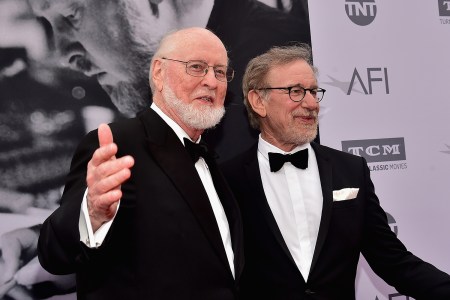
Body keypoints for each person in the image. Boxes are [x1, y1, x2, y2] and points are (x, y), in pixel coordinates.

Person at [220, 44, 450, 299]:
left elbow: (393, 261)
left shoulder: (351, 171)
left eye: (313, 91)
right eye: (296, 91)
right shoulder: (226, 180)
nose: (310, 103)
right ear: (258, 102)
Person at [37, 27, 243, 299]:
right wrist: (92, 213)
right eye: (196, 67)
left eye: (220, 72)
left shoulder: (211, 158)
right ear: (158, 73)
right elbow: (53, 253)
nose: (212, 82)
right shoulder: (118, 144)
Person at [26, 0, 311, 162]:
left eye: (71, 15)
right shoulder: (173, 82)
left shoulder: (275, 86)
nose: (63, 54)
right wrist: (55, 239)